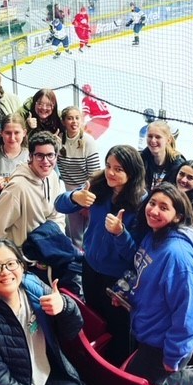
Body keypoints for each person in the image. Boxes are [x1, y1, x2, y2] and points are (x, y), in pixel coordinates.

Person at [0, 239, 107, 385]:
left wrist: (64, 306)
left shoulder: (33, 287)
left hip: (49, 378)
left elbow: (71, 331)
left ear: (22, 266)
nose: (5, 272)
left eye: (11, 263)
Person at [124, 183, 193, 385]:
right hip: (149, 330)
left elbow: (188, 315)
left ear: (177, 216)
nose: (154, 210)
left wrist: (173, 355)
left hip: (165, 341)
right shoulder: (154, 235)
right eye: (152, 203)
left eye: (164, 207)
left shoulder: (178, 257)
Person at [56, 144, 145, 364]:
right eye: (108, 166)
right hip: (90, 267)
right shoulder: (97, 185)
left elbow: (136, 256)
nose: (110, 173)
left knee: (118, 330)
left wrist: (120, 234)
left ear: (132, 173)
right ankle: (94, 361)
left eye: (118, 169)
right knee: (94, 317)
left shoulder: (141, 204)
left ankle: (116, 371)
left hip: (116, 279)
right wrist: (74, 197)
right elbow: (59, 204)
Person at [0, 131, 66, 247]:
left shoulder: (52, 176)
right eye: (40, 155)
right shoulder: (17, 187)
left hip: (48, 250)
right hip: (24, 257)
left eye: (50, 155)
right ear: (31, 156)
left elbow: (57, 215)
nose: (46, 161)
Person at [57, 106, 100, 248]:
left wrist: (85, 201)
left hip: (87, 192)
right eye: (70, 118)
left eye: (77, 118)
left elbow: (94, 175)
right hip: (69, 194)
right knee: (74, 235)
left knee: (89, 233)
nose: (74, 122)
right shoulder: (59, 141)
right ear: (64, 122)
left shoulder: (88, 141)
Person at [141, 120, 185, 191]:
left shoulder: (178, 165)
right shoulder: (141, 159)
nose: (153, 140)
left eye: (158, 137)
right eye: (150, 136)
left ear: (168, 140)